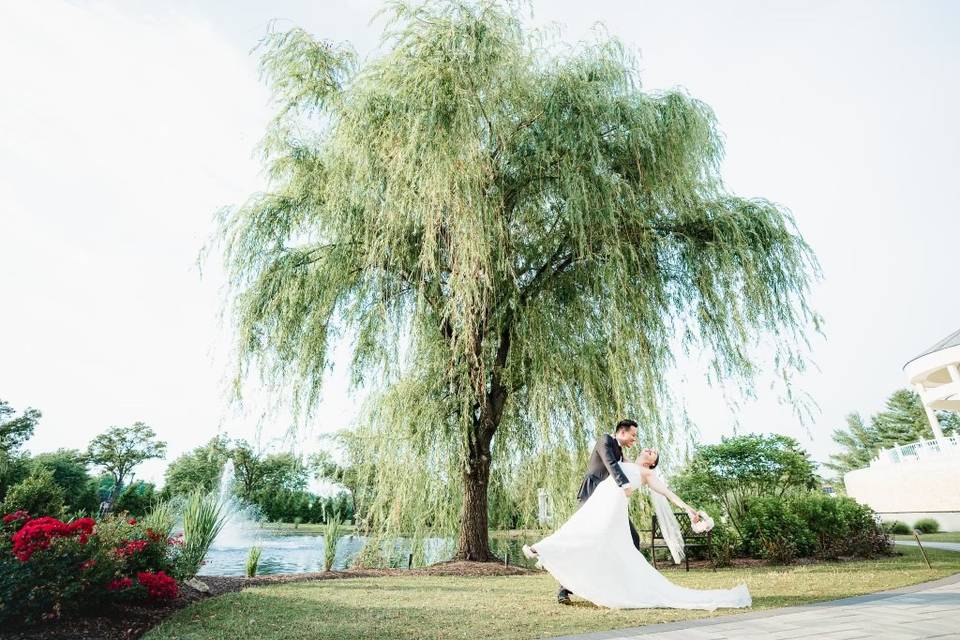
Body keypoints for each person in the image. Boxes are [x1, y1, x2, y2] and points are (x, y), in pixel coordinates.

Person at [524, 430, 750, 610]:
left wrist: (689, 509)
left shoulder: (647, 474)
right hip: (598, 502)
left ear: (652, 463)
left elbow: (668, 494)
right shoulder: (624, 459)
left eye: (653, 453)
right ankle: (549, 558)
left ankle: (545, 553)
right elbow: (610, 462)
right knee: (581, 531)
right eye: (648, 448)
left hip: (612, 509)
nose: (649, 449)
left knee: (594, 537)